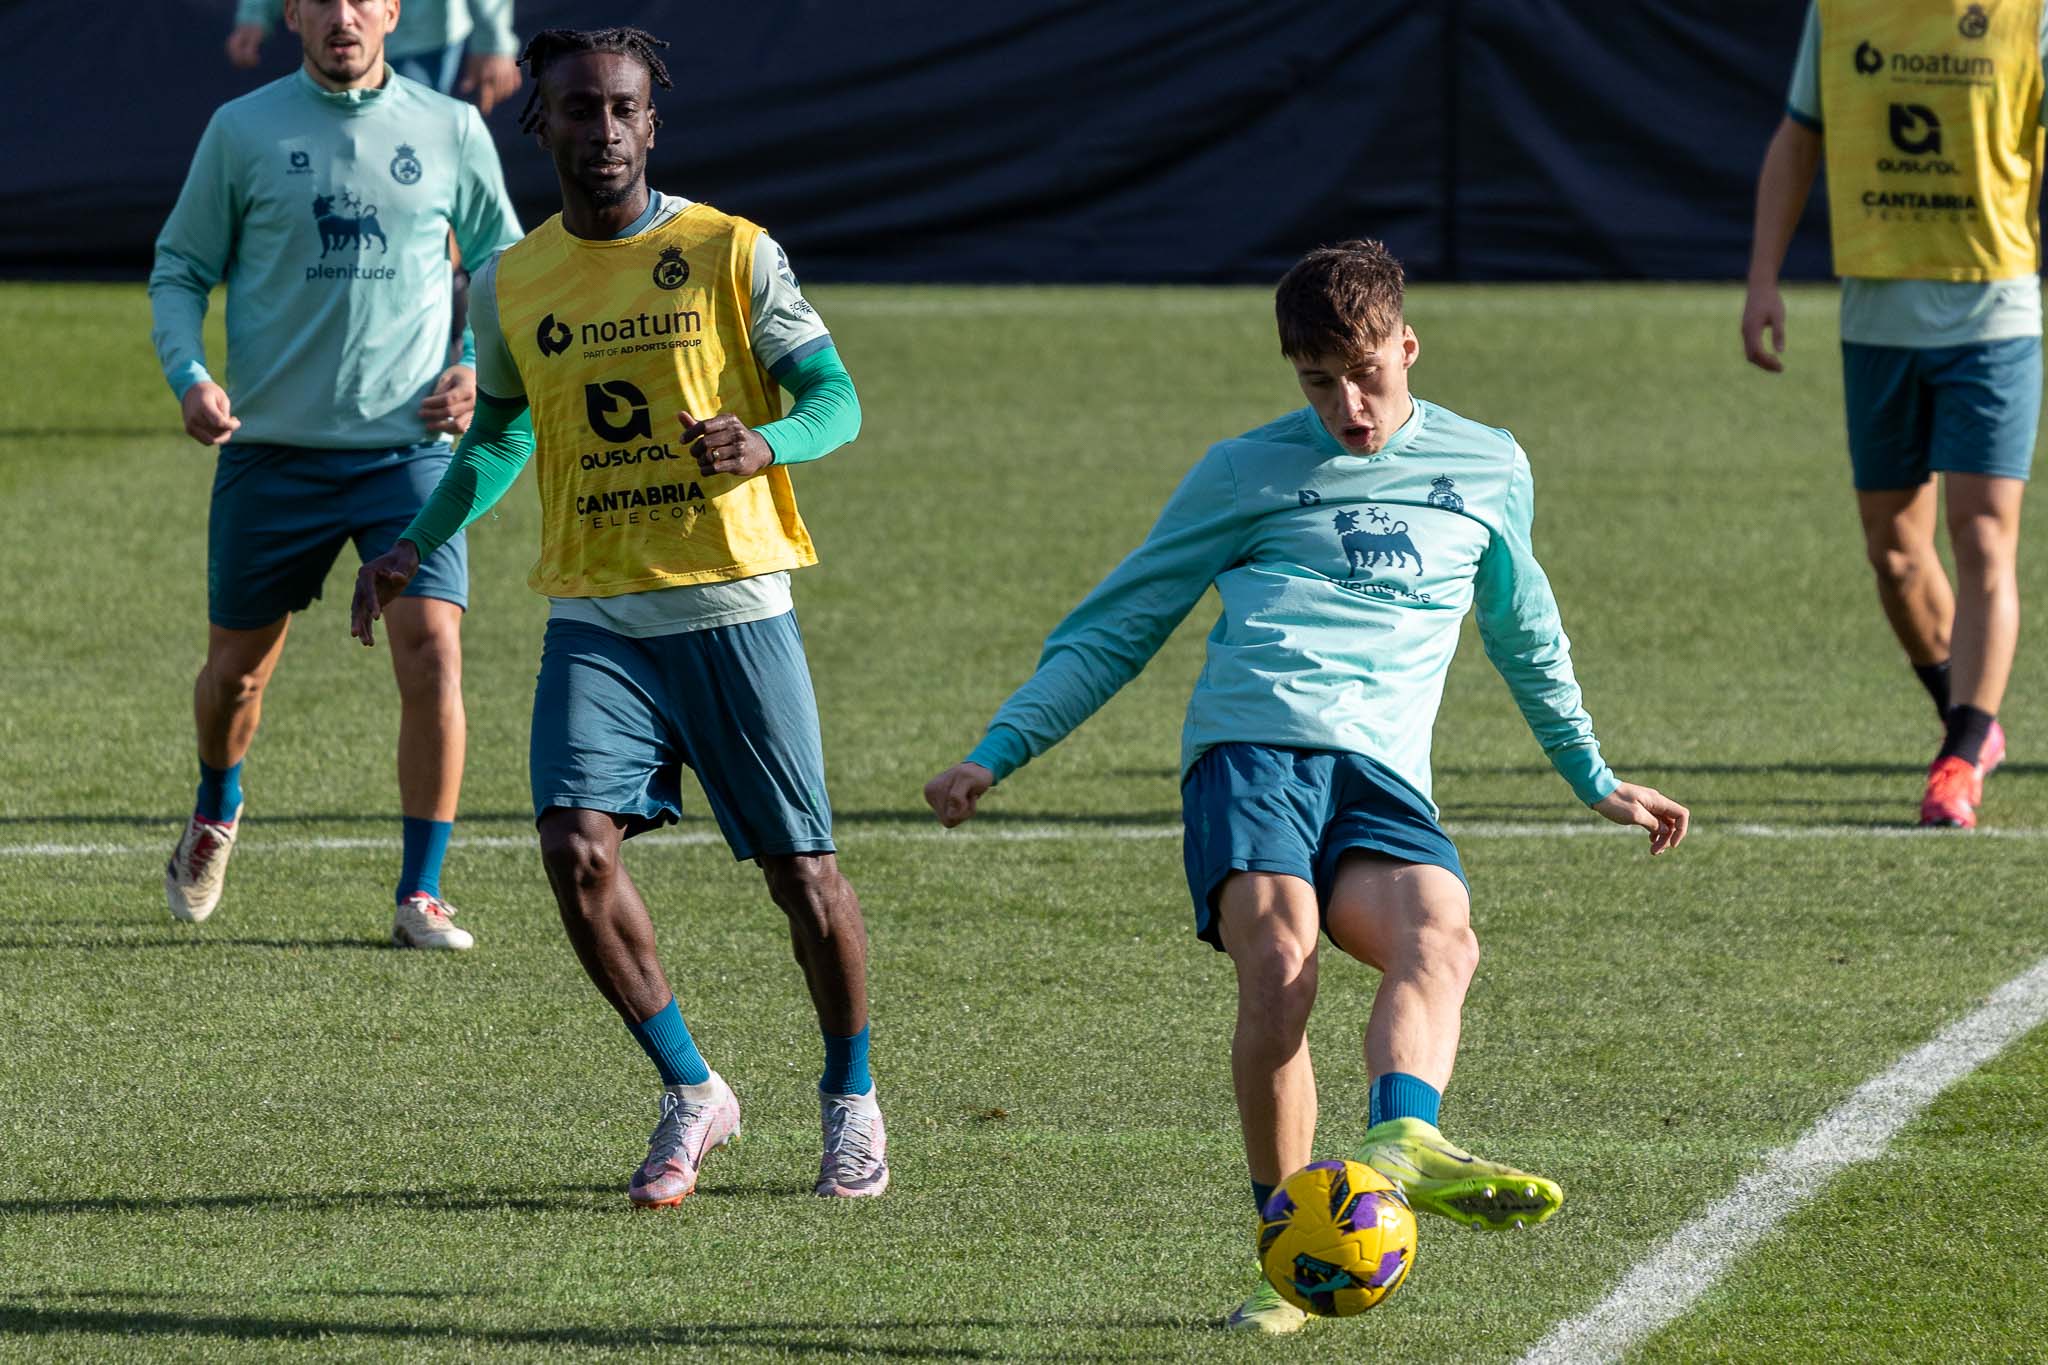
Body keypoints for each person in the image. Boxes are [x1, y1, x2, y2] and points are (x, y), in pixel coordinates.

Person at [923, 240, 1689, 1334]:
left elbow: (1527, 635)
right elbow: (1117, 625)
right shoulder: (1241, 470)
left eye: (1364, 374)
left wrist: (1591, 775)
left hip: (1382, 776)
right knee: (1279, 971)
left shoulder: (1487, 467)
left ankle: (1402, 1140)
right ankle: (1281, 1256)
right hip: (1253, 750)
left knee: (1441, 939)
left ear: (1407, 347)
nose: (1346, 405)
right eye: (1316, 382)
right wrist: (998, 749)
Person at [348, 26, 886, 1205]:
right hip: (595, 613)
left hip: (732, 603)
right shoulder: (508, 280)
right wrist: (412, 545)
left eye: (623, 110)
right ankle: (693, 1088)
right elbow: (500, 431)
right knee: (572, 849)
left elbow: (834, 397)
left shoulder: (731, 252)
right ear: (538, 123)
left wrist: (766, 444)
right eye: (579, 109)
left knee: (804, 876)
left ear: (653, 123)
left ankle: (849, 1096)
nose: (601, 131)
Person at [150, 0, 523, 948]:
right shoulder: (242, 129)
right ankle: (215, 806)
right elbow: (180, 269)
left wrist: (479, 363)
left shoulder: (450, 128)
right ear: (292, 15)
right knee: (237, 676)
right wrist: (191, 376)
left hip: (407, 452)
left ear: (395, 10)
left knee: (433, 648)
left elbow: (501, 264)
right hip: (270, 453)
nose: (343, 15)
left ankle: (421, 891)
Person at [1743, 0, 2042, 828]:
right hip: (1876, 323)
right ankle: (1969, 723)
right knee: (1897, 556)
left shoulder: (2027, 14)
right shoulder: (1839, 12)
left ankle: (1960, 753)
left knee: (1982, 532)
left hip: (1994, 315)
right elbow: (1799, 136)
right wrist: (1763, 277)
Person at [228, 0, 523, 113]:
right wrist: (255, 14)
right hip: (331, 37)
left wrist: (492, 41)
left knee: (419, 158)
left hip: (421, 43)